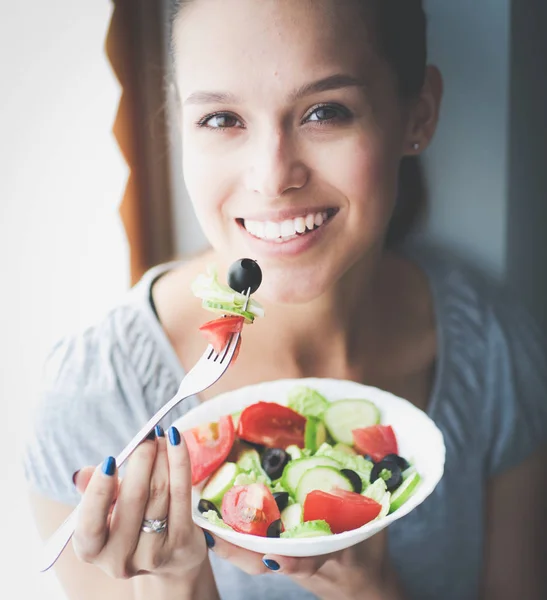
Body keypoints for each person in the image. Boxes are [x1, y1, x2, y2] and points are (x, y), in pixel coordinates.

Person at [23, 1, 547, 599]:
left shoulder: (495, 353)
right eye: (222, 119)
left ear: (417, 114)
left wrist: (372, 590)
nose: (272, 176)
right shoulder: (91, 404)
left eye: (325, 112)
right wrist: (177, 585)